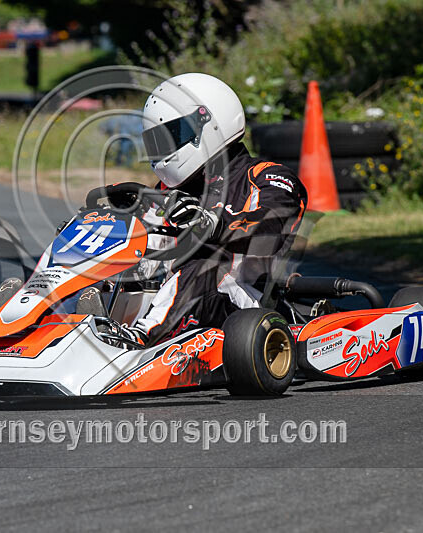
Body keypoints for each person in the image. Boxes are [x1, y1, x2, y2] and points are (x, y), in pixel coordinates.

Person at [108, 72, 308, 345]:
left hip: (244, 303)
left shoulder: (266, 177)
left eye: (171, 137)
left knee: (204, 266)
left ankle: (137, 341)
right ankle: (56, 330)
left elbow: (271, 225)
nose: (163, 150)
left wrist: (214, 224)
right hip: (172, 296)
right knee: (112, 264)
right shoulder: (170, 193)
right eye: (157, 142)